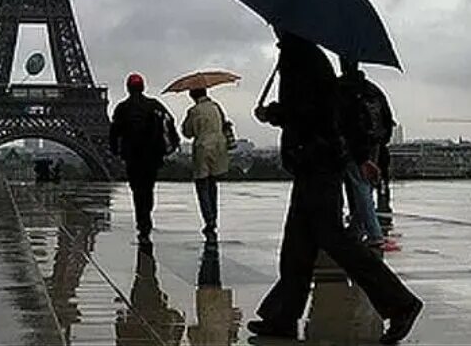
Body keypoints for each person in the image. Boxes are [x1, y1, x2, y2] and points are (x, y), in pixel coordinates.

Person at [246, 30, 423, 345]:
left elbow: (311, 112)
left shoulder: (302, 58)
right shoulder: (300, 55)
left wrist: (273, 113)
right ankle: (282, 316)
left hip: (318, 161)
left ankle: (401, 304)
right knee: (297, 246)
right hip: (313, 161)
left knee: (334, 239)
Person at [109, 73, 179, 248]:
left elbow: (114, 132)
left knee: (137, 190)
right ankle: (146, 218)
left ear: (128, 88)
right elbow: (169, 121)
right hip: (151, 155)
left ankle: (142, 222)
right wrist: (171, 144)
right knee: (148, 189)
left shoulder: (122, 108)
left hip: (132, 155)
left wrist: (115, 150)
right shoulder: (154, 105)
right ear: (143, 87)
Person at [338, 59, 398, 251]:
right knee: (366, 188)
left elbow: (347, 123)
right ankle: (356, 230)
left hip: (353, 147)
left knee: (360, 188)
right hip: (376, 145)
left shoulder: (341, 91)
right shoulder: (373, 90)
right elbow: (388, 119)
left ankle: (374, 234)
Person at [181, 87, 230, 242]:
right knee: (212, 184)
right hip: (218, 147)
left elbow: (187, 132)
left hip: (202, 147)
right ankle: (213, 217)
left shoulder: (194, 111)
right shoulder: (216, 107)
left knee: (202, 185)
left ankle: (208, 219)